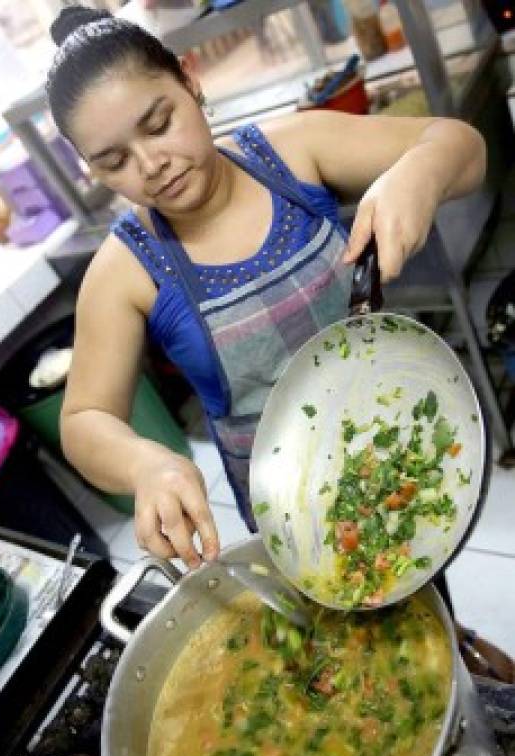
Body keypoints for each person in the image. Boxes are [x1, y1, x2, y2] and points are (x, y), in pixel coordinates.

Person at [47, 6, 487, 569]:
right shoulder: (124, 268)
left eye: (158, 124)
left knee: (425, 572)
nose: (151, 164)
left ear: (189, 80)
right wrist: (145, 465)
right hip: (292, 504)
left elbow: (462, 146)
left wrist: (422, 170)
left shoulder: (292, 150)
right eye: (114, 161)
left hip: (395, 433)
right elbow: (83, 420)